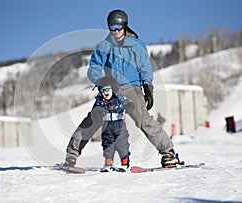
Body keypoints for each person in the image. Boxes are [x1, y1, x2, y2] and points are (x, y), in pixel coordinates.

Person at [64, 10, 180, 168]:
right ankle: (72, 154)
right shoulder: (104, 46)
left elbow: (145, 67)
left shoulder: (136, 45)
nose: (116, 30)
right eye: (112, 27)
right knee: (94, 118)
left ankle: (168, 153)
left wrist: (148, 88)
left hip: (132, 88)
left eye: (118, 26)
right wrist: (100, 80)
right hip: (110, 89)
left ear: (125, 26)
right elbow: (94, 68)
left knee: (143, 119)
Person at [94, 77, 134, 172]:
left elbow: (127, 102)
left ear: (113, 89)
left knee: (122, 144)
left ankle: (124, 162)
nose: (105, 92)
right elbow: (95, 110)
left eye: (107, 89)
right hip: (106, 126)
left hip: (119, 125)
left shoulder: (118, 98)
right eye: (102, 90)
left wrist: (129, 106)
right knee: (107, 145)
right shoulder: (100, 101)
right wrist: (96, 112)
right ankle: (108, 163)